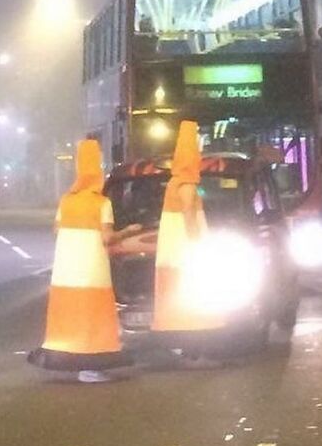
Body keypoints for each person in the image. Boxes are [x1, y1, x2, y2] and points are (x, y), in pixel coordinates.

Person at [28, 139, 140, 383]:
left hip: (66, 272)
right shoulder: (101, 203)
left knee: (69, 315)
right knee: (93, 315)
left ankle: (70, 359)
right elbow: (107, 238)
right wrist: (130, 231)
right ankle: (90, 368)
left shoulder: (67, 200)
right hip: (92, 271)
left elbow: (57, 231)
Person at [151, 120, 222, 365]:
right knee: (195, 302)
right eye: (198, 149)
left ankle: (186, 351)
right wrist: (196, 245)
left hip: (175, 255)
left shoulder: (173, 182)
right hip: (187, 255)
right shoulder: (186, 183)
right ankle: (195, 354)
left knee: (183, 302)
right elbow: (189, 213)